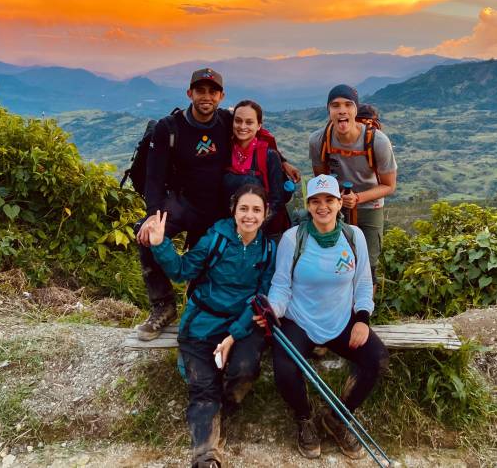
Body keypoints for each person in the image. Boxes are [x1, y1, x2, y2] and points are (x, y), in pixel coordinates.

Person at [135, 68, 298, 341]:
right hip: (183, 202)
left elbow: (257, 137)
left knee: (204, 271)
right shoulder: (169, 128)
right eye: (201, 91)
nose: (206, 96)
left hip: (218, 210)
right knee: (145, 235)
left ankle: (207, 319)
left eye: (213, 91)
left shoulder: (226, 120)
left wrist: (281, 161)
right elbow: (154, 176)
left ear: (221, 96)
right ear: (190, 93)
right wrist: (153, 215)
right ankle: (162, 306)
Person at [141, 184, 276, 468]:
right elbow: (181, 271)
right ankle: (206, 456)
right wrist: (160, 244)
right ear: (233, 211)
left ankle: (221, 408)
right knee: (203, 388)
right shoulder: (215, 238)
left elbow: (258, 299)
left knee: (244, 370)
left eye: (256, 210)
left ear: (265, 214)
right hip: (201, 324)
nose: (249, 216)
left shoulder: (267, 250)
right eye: (244, 209)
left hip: (240, 325)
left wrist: (233, 336)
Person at [258, 174, 389, 460]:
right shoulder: (294, 239)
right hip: (299, 320)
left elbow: (364, 283)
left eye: (329, 200)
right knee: (285, 368)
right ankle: (304, 419)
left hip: (341, 320)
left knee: (376, 359)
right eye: (315, 201)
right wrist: (273, 310)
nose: (323, 207)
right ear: (307, 205)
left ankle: (338, 418)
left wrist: (362, 319)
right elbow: (281, 285)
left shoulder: (354, 237)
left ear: (340, 203)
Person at [309, 84, 397, 288]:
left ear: (355, 110)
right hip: (335, 207)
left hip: (370, 207)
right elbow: (322, 182)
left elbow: (389, 185)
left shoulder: (378, 141)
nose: (342, 110)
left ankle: (364, 316)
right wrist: (337, 199)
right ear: (328, 110)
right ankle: (340, 312)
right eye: (335, 105)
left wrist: (357, 198)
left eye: (348, 104)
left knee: (368, 267)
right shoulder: (319, 141)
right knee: (336, 262)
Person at [223, 100, 291, 238]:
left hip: (265, 233)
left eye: (249, 122)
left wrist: (251, 228)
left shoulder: (269, 156)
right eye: (238, 121)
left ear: (259, 125)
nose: (242, 126)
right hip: (230, 232)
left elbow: (277, 201)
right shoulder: (224, 152)